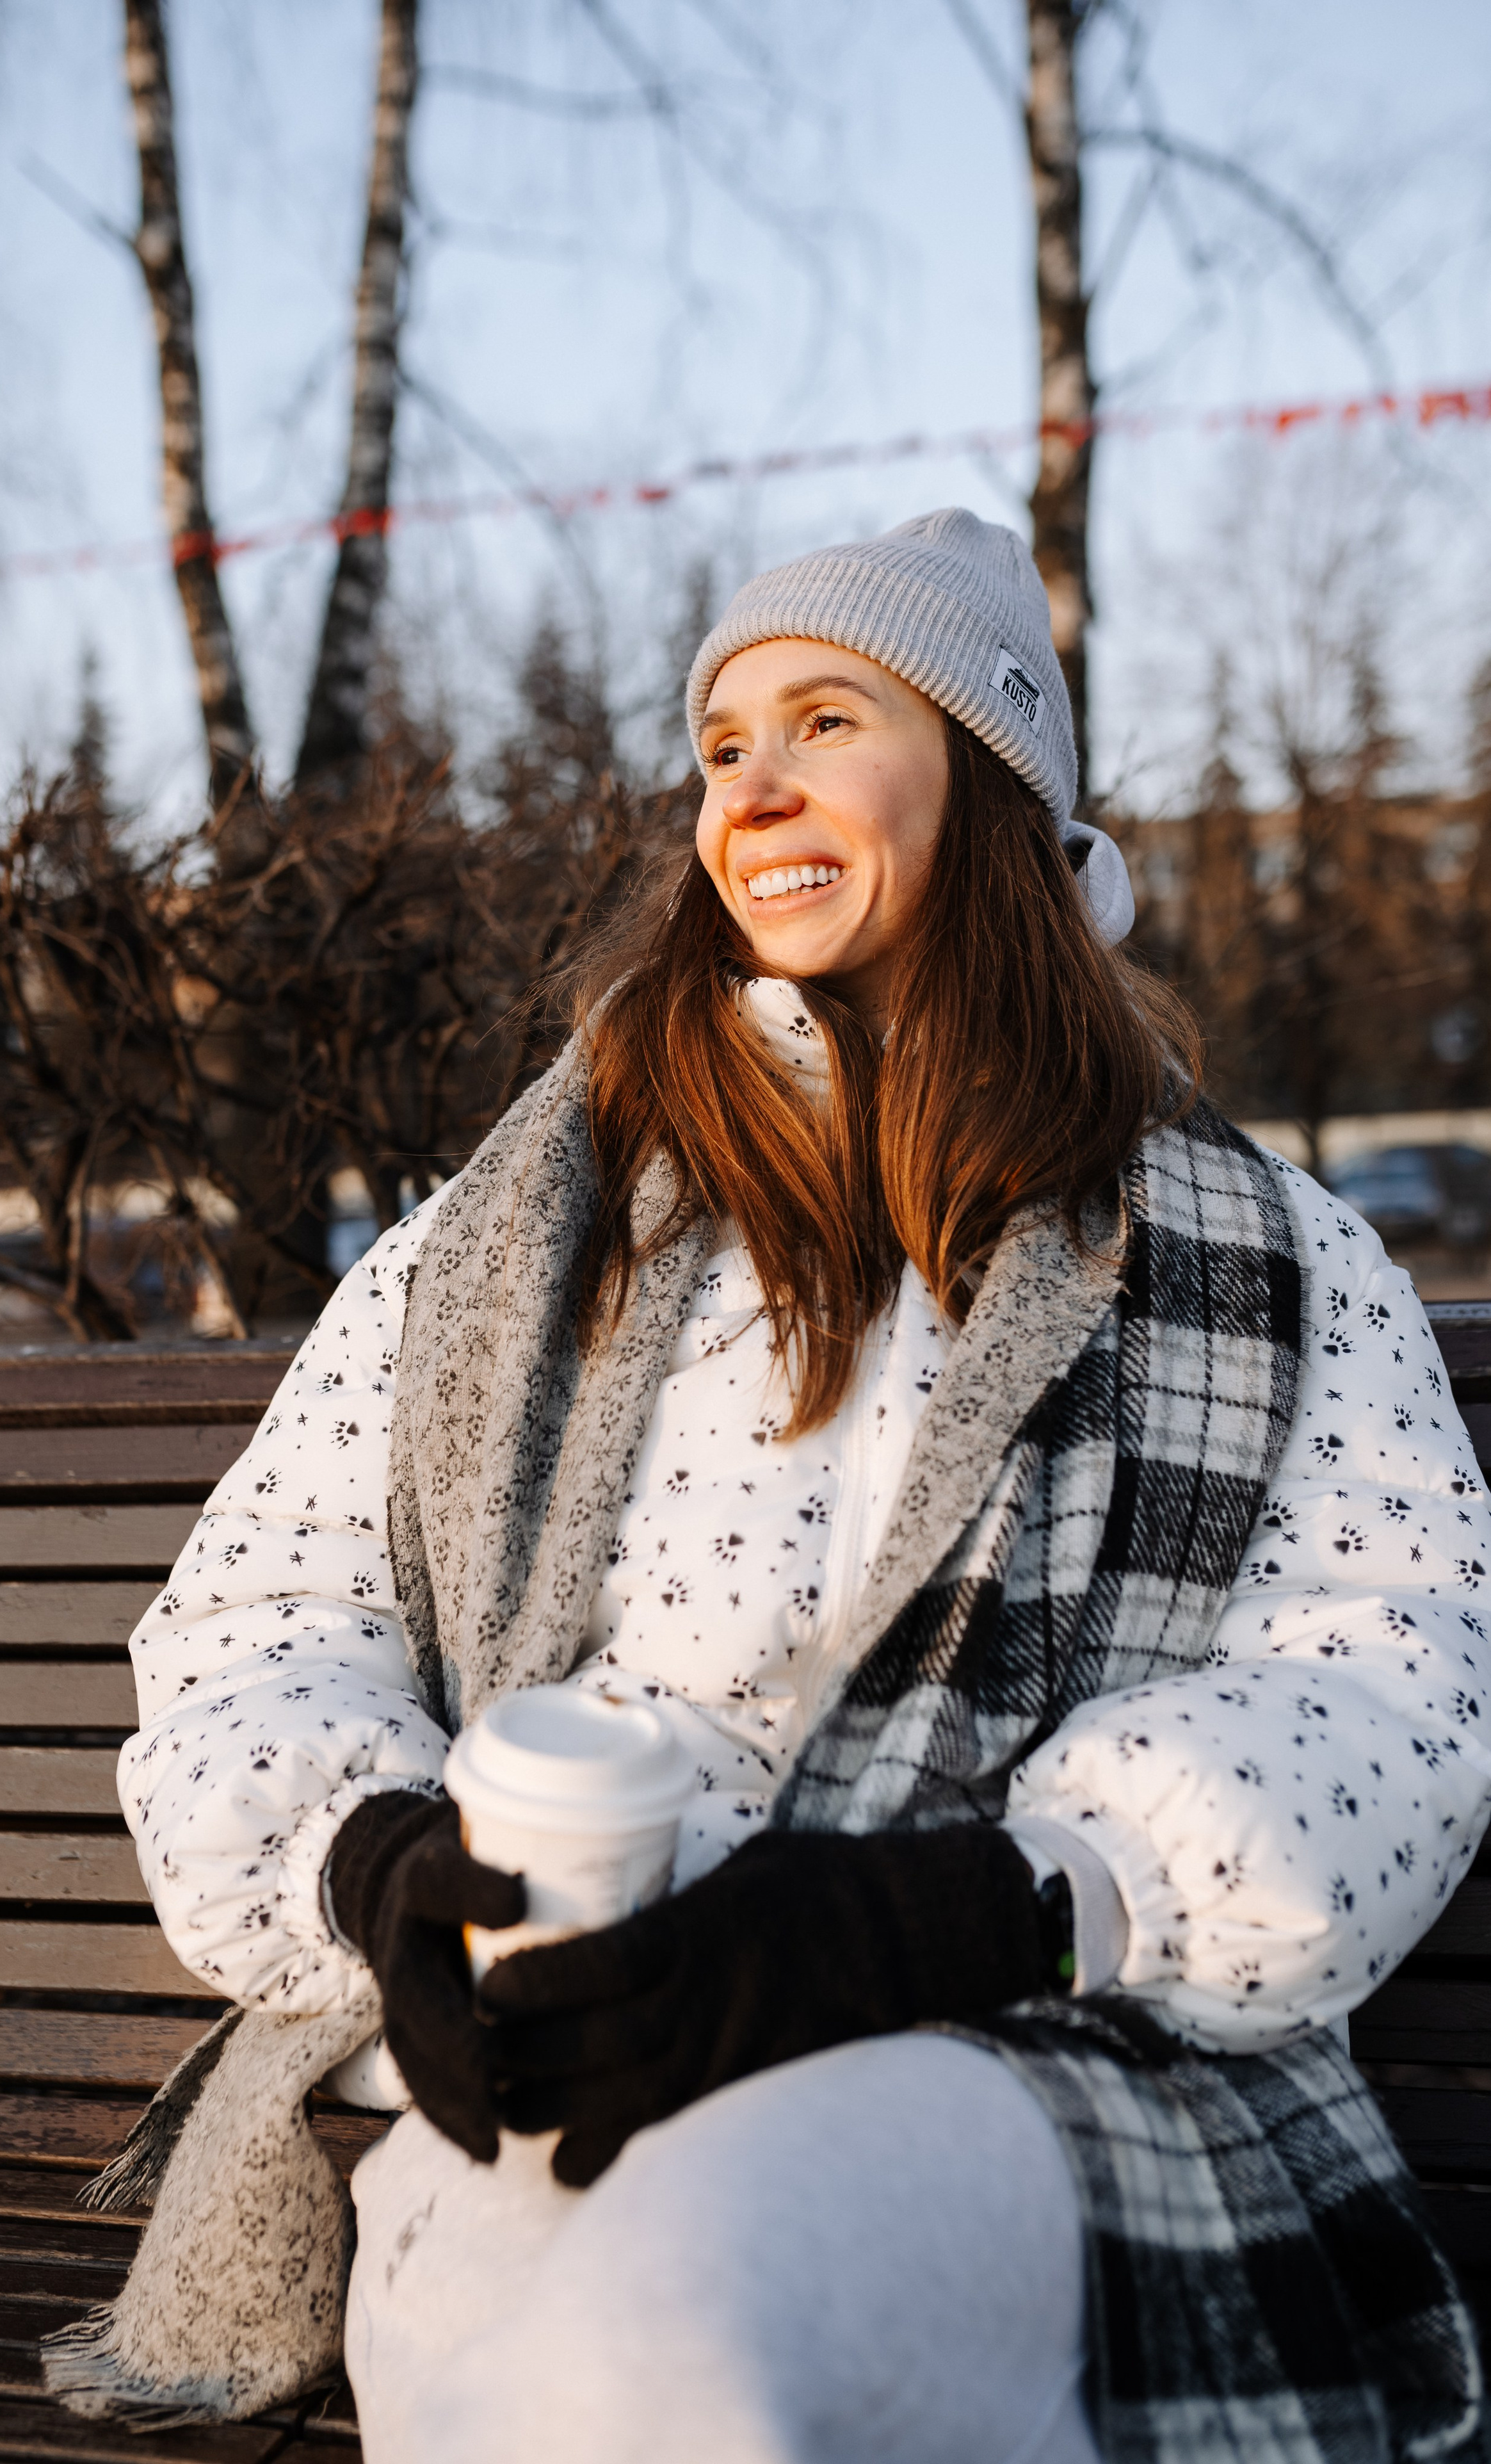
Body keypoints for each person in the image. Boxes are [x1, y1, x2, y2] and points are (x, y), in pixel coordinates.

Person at [120, 509, 1491, 2464]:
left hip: (1004, 2048)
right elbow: (260, 1617)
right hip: (550, 2041)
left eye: (826, 720)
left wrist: (963, 1916)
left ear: (993, 784)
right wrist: (375, 1862)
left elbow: (1385, 1685)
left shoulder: (1269, 1262)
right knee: (568, 2358)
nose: (749, 788)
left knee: (674, 2328)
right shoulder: (508, 1237)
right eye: (721, 746)